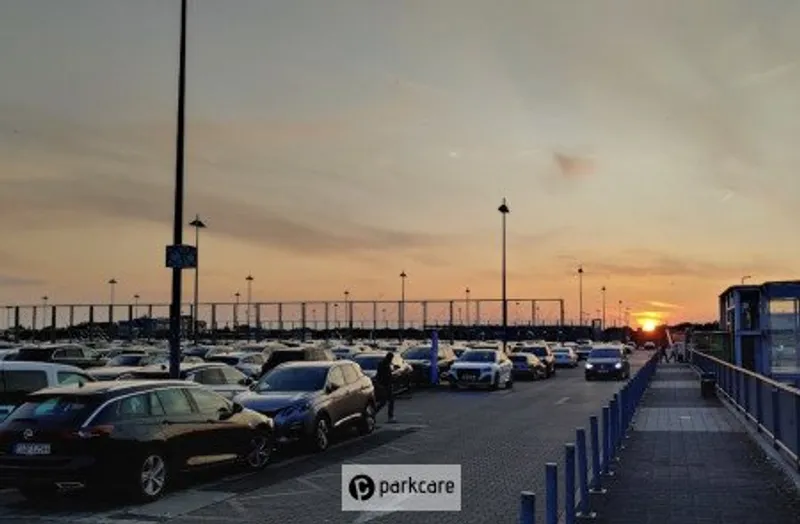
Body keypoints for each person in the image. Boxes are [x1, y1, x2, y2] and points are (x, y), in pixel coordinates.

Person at [375, 352, 396, 423]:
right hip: (385, 385)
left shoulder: (383, 363)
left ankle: (373, 414)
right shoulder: (384, 364)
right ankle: (390, 417)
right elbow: (384, 375)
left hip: (385, 384)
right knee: (387, 401)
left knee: (385, 402)